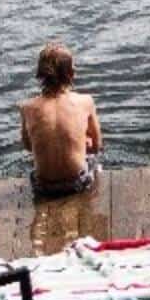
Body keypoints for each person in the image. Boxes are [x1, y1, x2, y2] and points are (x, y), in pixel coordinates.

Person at [20, 42, 102, 199]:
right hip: (77, 183)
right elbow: (97, 146)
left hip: (42, 187)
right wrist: (81, 142)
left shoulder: (27, 107)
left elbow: (28, 146)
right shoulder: (85, 101)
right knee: (93, 160)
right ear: (71, 73)